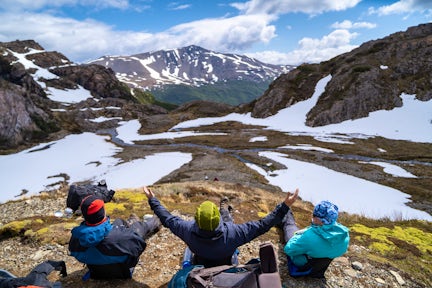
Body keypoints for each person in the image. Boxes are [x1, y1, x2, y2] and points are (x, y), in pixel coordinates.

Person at [143, 185, 299, 268]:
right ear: (216, 218)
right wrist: (284, 206)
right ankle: (224, 209)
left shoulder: (186, 229)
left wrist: (153, 199)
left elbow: (167, 218)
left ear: (196, 218)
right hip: (227, 264)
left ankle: (224, 208)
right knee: (229, 223)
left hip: (200, 264)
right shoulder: (234, 232)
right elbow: (262, 225)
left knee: (188, 251)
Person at [68, 195, 161, 280]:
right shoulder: (122, 239)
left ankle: (130, 222)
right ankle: (156, 219)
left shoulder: (76, 238)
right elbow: (139, 247)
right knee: (139, 227)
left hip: (96, 272)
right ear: (103, 211)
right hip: (124, 271)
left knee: (118, 221)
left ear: (84, 215)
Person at [282, 200, 350, 278]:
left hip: (304, 264)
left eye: (314, 215)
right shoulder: (344, 235)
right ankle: (286, 215)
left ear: (320, 219)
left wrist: (300, 234)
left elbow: (288, 249)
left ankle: (286, 215)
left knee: (290, 226)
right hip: (319, 267)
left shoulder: (309, 237)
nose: (312, 216)